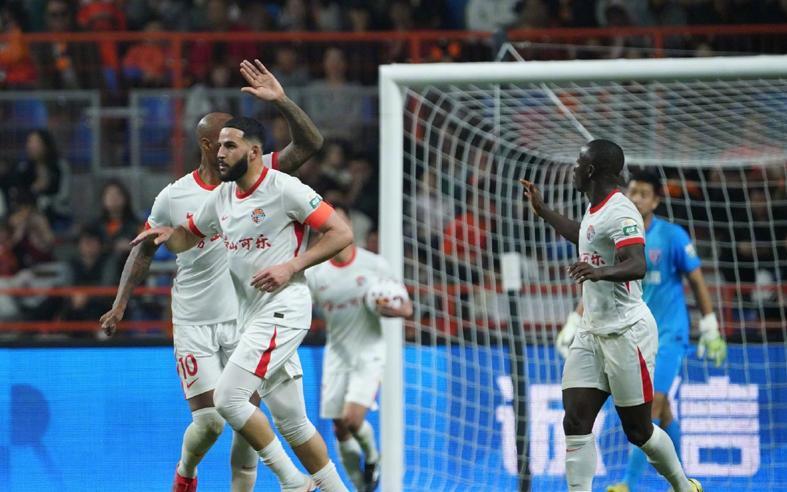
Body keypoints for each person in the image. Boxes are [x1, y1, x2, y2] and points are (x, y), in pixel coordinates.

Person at [100, 60, 324, 491]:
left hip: (244, 317)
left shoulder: (259, 175)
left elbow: (310, 143)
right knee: (209, 422)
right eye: (225, 139)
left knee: (245, 423)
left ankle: (282, 484)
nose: (232, 143)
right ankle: (186, 471)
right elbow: (144, 247)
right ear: (209, 144)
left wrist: (282, 101)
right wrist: (120, 304)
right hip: (195, 319)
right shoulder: (174, 196)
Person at [133, 114, 352, 491]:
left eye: (229, 145)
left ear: (253, 152)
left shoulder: (284, 188)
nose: (220, 153)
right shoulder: (222, 197)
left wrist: (291, 266)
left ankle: (293, 483)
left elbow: (341, 233)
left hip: (283, 310)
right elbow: (189, 236)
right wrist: (167, 235)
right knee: (293, 423)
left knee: (228, 399)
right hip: (251, 319)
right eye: (218, 145)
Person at [520, 140, 703, 492]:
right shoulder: (595, 208)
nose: (573, 169)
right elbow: (584, 236)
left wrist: (598, 272)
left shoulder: (621, 211)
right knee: (575, 420)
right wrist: (543, 211)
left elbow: (637, 263)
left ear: (590, 170)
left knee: (639, 430)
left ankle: (683, 485)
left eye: (578, 163)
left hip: (626, 332)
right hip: (592, 332)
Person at [554, 169, 727, 491]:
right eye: (633, 191)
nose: (636, 198)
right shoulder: (611, 229)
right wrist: (574, 320)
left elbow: (697, 281)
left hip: (666, 334)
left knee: (653, 407)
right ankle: (683, 484)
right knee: (663, 413)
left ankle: (628, 484)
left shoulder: (672, 236)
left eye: (644, 194)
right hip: (621, 331)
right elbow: (599, 284)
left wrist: (710, 326)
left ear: (656, 201)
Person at [305, 205, 413, 492]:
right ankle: (361, 486)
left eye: (339, 221)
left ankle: (373, 458)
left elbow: (406, 308)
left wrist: (392, 310)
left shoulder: (374, 265)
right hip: (337, 354)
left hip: (369, 352)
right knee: (340, 428)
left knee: (352, 420)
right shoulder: (316, 274)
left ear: (349, 227)